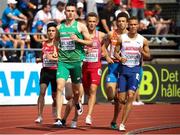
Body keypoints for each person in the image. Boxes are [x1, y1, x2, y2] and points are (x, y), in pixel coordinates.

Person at [54, 2, 92, 126]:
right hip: (63, 62)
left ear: (75, 13)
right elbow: (55, 41)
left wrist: (77, 39)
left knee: (76, 93)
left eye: (72, 11)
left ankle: (77, 102)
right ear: (65, 12)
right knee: (59, 87)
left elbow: (90, 42)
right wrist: (55, 51)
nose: (70, 13)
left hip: (76, 63)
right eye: (68, 11)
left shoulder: (80, 26)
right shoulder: (59, 28)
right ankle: (59, 118)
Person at [114, 16, 150, 131]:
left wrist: (142, 52)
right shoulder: (122, 38)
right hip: (123, 71)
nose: (133, 26)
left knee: (130, 96)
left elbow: (149, 56)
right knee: (121, 99)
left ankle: (122, 123)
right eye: (131, 24)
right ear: (128, 25)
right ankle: (120, 114)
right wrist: (120, 58)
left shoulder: (143, 40)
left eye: (135, 24)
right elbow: (115, 53)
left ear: (138, 25)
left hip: (135, 71)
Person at [102, 12, 129, 129]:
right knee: (110, 93)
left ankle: (114, 120)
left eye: (123, 21)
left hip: (125, 69)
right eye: (119, 21)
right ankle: (114, 98)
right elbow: (103, 46)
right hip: (113, 67)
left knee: (121, 100)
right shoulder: (111, 33)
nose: (121, 23)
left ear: (127, 23)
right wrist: (107, 56)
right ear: (116, 22)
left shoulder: (131, 36)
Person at [34, 22, 58, 123]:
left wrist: (51, 58)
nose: (51, 33)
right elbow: (44, 56)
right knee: (42, 92)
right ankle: (39, 116)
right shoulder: (44, 43)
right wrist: (40, 59)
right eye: (49, 31)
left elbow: (61, 59)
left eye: (53, 31)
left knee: (55, 97)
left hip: (56, 71)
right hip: (45, 71)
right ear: (47, 32)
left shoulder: (58, 44)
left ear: (56, 32)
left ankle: (55, 110)